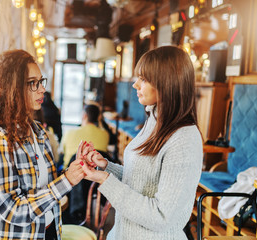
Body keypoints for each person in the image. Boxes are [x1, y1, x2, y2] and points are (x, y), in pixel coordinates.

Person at [0, 49, 86, 240]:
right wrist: (67, 180)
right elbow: (12, 211)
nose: (42, 89)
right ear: (11, 88)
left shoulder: (37, 131)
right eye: (32, 83)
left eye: (41, 81)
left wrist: (74, 168)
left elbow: (44, 186)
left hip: (47, 231)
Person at [79, 46, 203, 239]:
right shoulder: (154, 121)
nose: (135, 85)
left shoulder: (185, 139)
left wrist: (105, 181)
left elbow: (162, 217)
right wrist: (105, 167)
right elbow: (139, 181)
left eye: (143, 79)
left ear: (166, 83)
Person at [61, 104, 109, 169]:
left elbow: (62, 152)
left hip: (71, 173)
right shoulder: (105, 134)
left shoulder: (69, 133)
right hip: (96, 175)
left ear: (84, 116)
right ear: (98, 118)